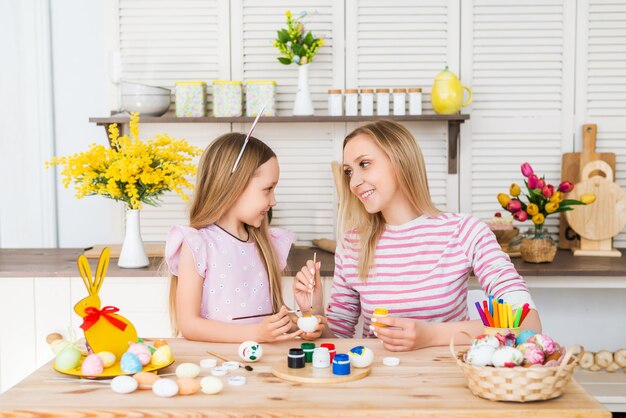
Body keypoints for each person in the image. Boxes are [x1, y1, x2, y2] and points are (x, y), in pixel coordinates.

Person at [294, 120, 541, 351]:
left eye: (364, 164)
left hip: (449, 381)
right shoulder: (352, 244)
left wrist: (430, 336)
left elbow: (529, 323)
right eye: (348, 171)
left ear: (400, 161)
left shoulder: (464, 231)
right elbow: (338, 342)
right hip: (377, 383)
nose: (354, 182)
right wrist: (312, 313)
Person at [165, 133, 323, 342]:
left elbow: (264, 314)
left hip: (260, 363)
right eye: (268, 189)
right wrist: (256, 334)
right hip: (216, 363)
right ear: (233, 187)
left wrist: (297, 323)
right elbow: (189, 325)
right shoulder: (198, 244)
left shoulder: (267, 244)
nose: (274, 200)